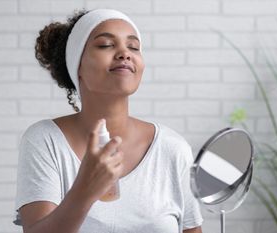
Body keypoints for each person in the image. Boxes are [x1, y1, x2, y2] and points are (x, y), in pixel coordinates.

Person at [14, 8, 204, 233]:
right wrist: (84, 190)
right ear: (77, 65)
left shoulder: (172, 149)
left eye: (133, 47)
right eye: (106, 45)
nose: (125, 53)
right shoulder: (45, 141)